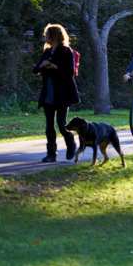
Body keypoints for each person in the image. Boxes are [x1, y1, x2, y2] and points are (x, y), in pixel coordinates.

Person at [33, 24, 80, 163]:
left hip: (63, 93)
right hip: (48, 93)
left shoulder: (66, 51)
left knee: (61, 123)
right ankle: (51, 154)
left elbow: (70, 71)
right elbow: (35, 70)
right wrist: (42, 65)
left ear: (54, 36)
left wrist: (54, 66)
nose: (45, 37)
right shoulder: (47, 52)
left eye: (47, 34)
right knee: (49, 125)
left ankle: (70, 143)